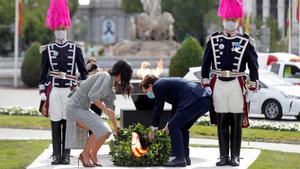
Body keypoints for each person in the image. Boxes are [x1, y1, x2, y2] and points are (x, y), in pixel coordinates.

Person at [201, 0, 259, 166]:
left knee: (236, 121)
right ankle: (223, 156)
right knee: (222, 121)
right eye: (228, 18)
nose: (230, 21)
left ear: (238, 21)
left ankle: (235, 156)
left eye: (233, 19)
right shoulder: (213, 40)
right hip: (218, 83)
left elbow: (254, 66)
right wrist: (206, 85)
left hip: (237, 84)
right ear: (223, 19)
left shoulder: (246, 41)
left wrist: (253, 87)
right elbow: (205, 65)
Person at [39, 0, 88, 165]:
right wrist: (41, 91)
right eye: (57, 29)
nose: (60, 32)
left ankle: (66, 155)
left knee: (68, 122)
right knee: (55, 122)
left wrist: (82, 88)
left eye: (62, 29)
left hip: (69, 90)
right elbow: (43, 71)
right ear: (54, 30)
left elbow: (83, 72)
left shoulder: (76, 49)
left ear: (67, 29)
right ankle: (56, 155)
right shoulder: (48, 49)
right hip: (54, 90)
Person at [65, 60, 132, 167]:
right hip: (75, 108)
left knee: (106, 132)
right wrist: (106, 110)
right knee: (100, 129)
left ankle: (93, 154)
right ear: (121, 74)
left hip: (83, 109)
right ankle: (84, 155)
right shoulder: (105, 77)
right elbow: (93, 96)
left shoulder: (111, 85)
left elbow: (111, 109)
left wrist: (116, 127)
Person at [140, 75, 211, 167]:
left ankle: (179, 159)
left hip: (194, 99)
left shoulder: (157, 85)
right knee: (182, 127)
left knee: (174, 126)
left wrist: (153, 130)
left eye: (146, 91)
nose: (148, 94)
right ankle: (185, 157)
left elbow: (158, 108)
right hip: (204, 100)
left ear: (150, 85)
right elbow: (176, 109)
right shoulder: (166, 84)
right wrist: (167, 127)